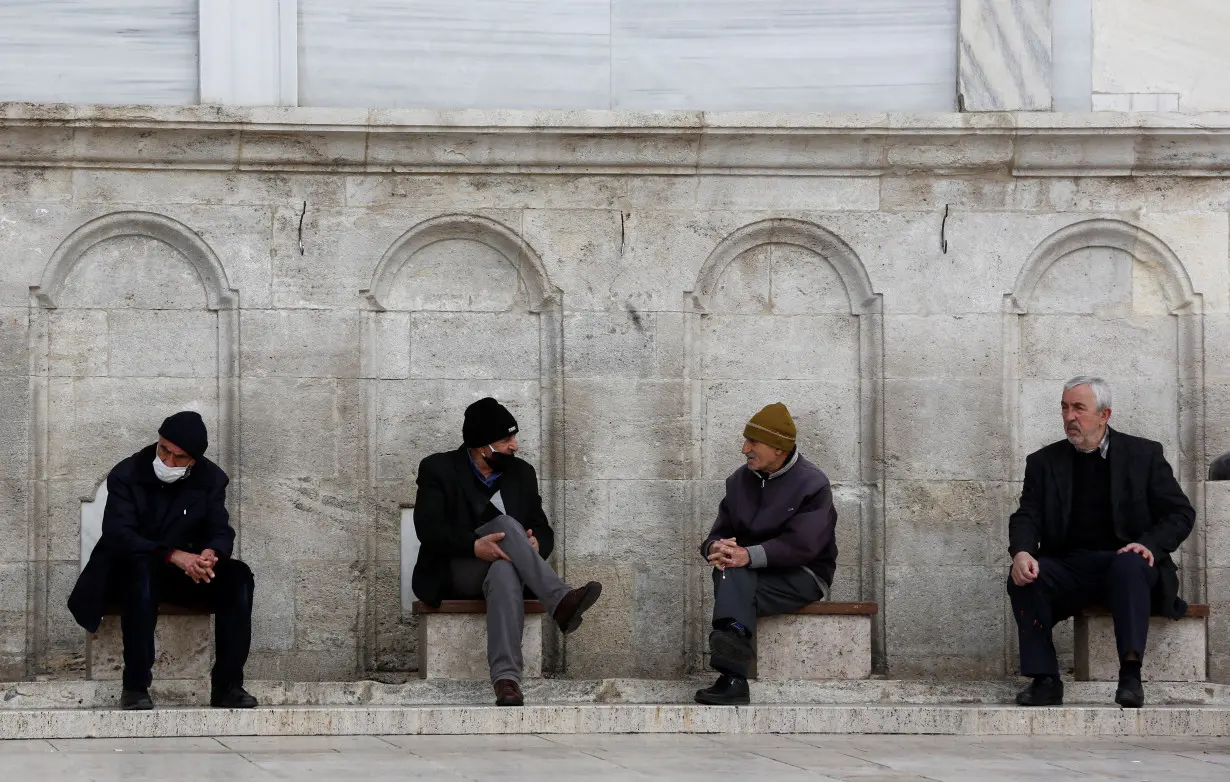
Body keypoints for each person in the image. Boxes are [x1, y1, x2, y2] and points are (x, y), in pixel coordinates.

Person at [1007, 376, 1195, 709]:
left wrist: (1149, 544)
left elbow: (1180, 512)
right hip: (1071, 566)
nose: (1069, 417)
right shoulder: (1044, 462)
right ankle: (1045, 680)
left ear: (1104, 415)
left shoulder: (1144, 455)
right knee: (1024, 576)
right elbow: (1027, 515)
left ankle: (1131, 677)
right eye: (1064, 407)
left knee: (1129, 563)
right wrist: (1022, 552)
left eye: (1079, 408)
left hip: (1128, 564)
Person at [412, 397, 602, 706]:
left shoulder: (521, 473)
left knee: (504, 570)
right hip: (457, 569)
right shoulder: (438, 469)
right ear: (482, 446)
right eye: (506, 439)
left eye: (514, 437)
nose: (515, 445)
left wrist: (536, 544)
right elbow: (429, 530)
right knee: (506, 524)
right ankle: (560, 599)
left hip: (506, 569)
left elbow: (542, 528)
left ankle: (506, 680)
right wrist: (475, 546)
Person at [68, 411, 257, 711]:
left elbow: (220, 529)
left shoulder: (211, 479)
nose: (168, 461)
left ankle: (227, 686)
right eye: (164, 449)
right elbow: (119, 536)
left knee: (239, 577)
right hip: (128, 570)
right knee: (140, 572)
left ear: (193, 460)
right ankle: (135, 687)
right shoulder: (127, 473)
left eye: (178, 457)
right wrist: (172, 555)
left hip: (182, 575)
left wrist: (211, 554)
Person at [694, 403, 838, 706]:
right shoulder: (738, 482)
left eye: (753, 442)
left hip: (803, 576)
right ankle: (733, 668)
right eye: (746, 440)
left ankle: (731, 671)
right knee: (728, 567)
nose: (744, 448)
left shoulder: (813, 483)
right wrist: (715, 548)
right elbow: (719, 532)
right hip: (750, 575)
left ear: (778, 447)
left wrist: (748, 555)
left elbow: (803, 546)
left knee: (735, 570)